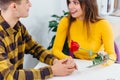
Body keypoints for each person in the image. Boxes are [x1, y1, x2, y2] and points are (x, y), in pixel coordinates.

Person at [0, 0, 77, 80]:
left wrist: (55, 61)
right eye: (27, 2)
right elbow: (9, 75)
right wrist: (52, 70)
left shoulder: (18, 27)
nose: (30, 5)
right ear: (14, 6)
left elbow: (35, 48)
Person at [52, 0, 116, 65]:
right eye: (69, 2)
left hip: (97, 65)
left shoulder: (103, 24)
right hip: (77, 64)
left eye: (75, 3)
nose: (70, 6)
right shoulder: (66, 22)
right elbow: (56, 50)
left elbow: (111, 55)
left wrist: (104, 61)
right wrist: (68, 59)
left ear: (88, 4)